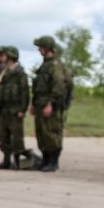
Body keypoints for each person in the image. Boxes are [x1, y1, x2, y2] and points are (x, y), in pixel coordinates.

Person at [30, 35, 72, 172]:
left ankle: (53, 162)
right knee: (42, 134)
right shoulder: (45, 65)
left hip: (50, 106)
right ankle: (46, 160)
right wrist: (33, 104)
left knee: (52, 133)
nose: (39, 50)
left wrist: (50, 104)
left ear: (47, 48)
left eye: (41, 47)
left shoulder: (55, 65)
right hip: (40, 104)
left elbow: (58, 87)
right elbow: (37, 87)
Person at [0, 46, 29, 169]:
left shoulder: (20, 74)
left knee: (17, 137)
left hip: (15, 110)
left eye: (5, 56)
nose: (2, 58)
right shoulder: (4, 72)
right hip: (4, 110)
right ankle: (6, 160)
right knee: (3, 137)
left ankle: (18, 161)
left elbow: (24, 93)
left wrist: (22, 109)